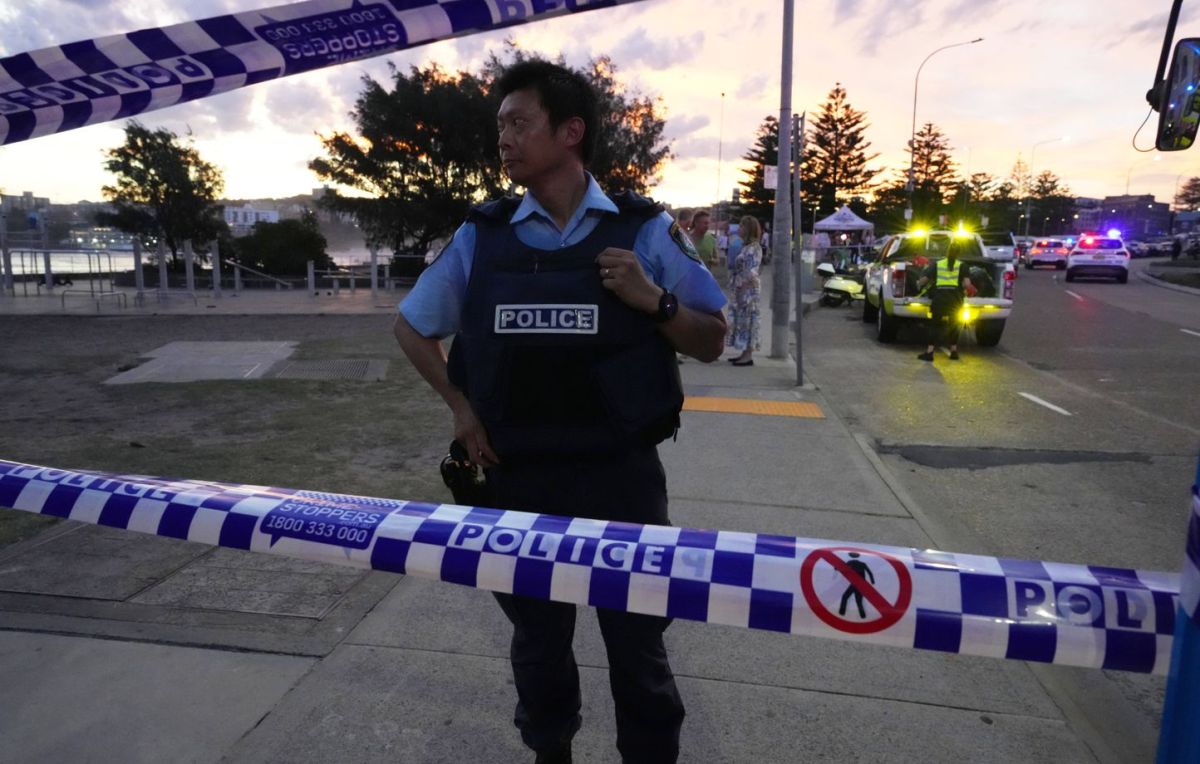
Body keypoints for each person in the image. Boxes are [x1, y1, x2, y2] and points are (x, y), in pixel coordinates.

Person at [392, 59, 727, 764]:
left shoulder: (644, 230)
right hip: (518, 481)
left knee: (637, 650)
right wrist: (460, 407)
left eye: (519, 122)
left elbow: (713, 339)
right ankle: (551, 752)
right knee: (539, 650)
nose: (504, 139)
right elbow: (411, 326)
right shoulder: (482, 236)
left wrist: (654, 300)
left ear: (571, 131)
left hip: (621, 480)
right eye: (500, 126)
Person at [916, 240, 973, 362]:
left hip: (940, 298)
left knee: (935, 325)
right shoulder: (962, 266)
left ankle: (930, 352)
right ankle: (954, 351)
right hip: (955, 299)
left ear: (947, 252)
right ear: (958, 253)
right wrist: (963, 287)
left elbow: (925, 279)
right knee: (954, 325)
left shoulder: (938, 264)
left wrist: (918, 283)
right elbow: (967, 284)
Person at [727, 215, 763, 366]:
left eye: (742, 226)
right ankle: (744, 352)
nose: (739, 229)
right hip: (742, 287)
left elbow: (750, 271)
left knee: (747, 321)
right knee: (741, 321)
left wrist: (743, 289)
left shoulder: (754, 248)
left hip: (747, 290)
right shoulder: (747, 247)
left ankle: (748, 355)